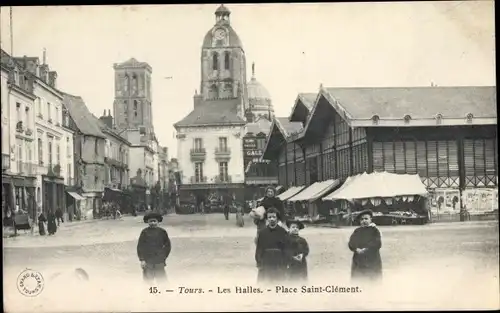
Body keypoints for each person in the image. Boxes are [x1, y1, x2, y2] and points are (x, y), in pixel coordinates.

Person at [255, 208, 290, 284]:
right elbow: (259, 248)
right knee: (265, 284)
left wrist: (286, 262)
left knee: (279, 284)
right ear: (267, 219)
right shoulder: (262, 233)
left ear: (277, 218)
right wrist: (259, 262)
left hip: (279, 262)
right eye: (269, 217)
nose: (272, 219)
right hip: (266, 262)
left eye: (274, 217)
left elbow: (286, 249)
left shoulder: (283, 232)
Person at [348, 209, 383, 282]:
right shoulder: (357, 231)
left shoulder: (374, 231)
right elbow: (351, 242)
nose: (364, 221)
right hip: (359, 259)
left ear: (371, 220)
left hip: (372, 259)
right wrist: (356, 248)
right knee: (358, 279)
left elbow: (377, 243)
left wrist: (366, 249)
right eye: (362, 219)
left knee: (372, 279)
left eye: (366, 219)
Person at [137, 211, 172, 283]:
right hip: (148, 260)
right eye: (150, 221)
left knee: (162, 280)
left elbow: (167, 245)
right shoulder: (144, 232)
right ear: (148, 222)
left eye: (154, 221)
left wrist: (164, 256)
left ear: (158, 221)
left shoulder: (162, 232)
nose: (153, 223)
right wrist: (142, 259)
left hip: (159, 260)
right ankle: (149, 292)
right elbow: (140, 246)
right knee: (148, 281)